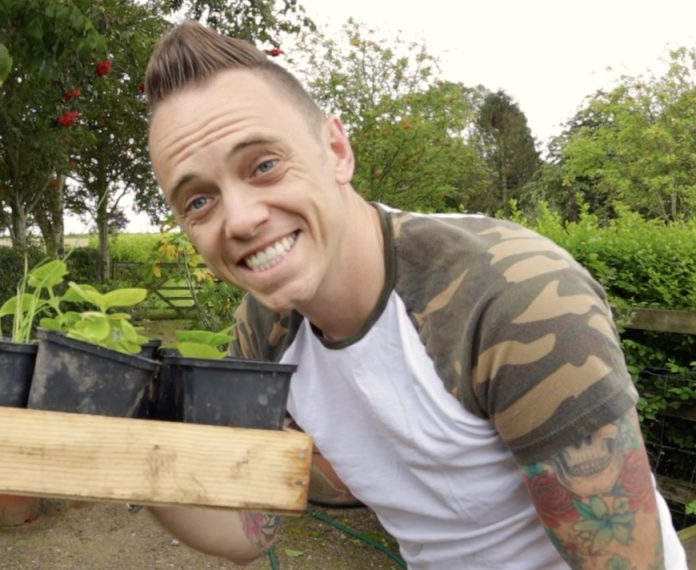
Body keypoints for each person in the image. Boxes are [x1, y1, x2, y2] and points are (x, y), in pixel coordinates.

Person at [141, 21, 688, 569]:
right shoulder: (264, 327)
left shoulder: (514, 298)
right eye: (198, 201)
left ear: (335, 149)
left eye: (264, 165)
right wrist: (124, 453)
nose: (239, 220)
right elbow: (251, 528)